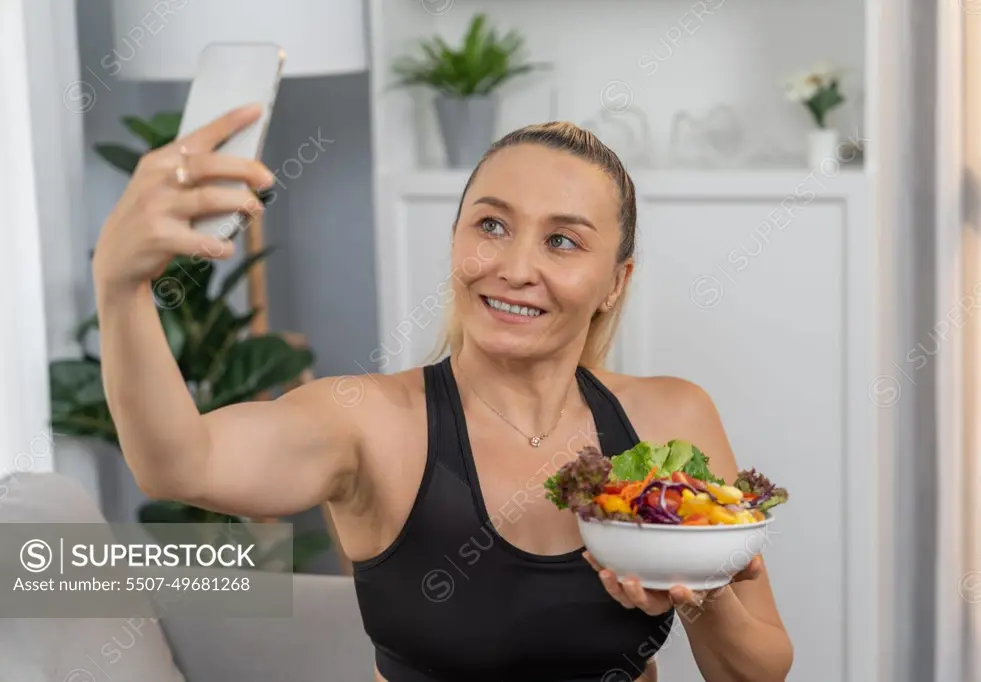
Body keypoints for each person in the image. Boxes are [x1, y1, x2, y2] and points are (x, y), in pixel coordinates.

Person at [92, 104, 794, 682]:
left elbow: (757, 672)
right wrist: (121, 288)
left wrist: (698, 597)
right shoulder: (368, 423)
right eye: (491, 225)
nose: (516, 267)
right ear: (457, 239)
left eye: (563, 242)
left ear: (616, 281)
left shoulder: (670, 419)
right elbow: (182, 464)